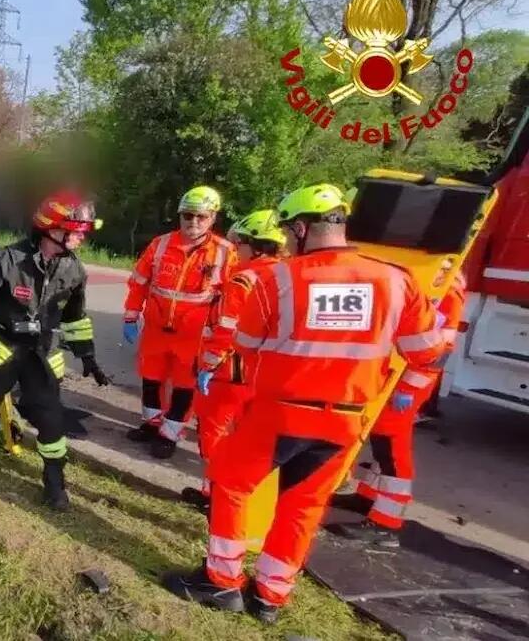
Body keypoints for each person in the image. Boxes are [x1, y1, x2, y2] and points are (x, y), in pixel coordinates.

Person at [162, 183, 446, 624]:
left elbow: (247, 343)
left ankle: (220, 582)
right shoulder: (395, 279)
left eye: (289, 231)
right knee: (303, 506)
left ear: (301, 226)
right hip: (346, 421)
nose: (287, 241)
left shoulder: (279, 278)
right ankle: (271, 596)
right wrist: (408, 388)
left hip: (281, 412)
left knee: (230, 480)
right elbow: (428, 351)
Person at [0, 190, 110, 511]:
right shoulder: (7, 261)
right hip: (2, 350)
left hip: (42, 356)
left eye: (83, 233)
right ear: (52, 227)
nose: (81, 238)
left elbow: (75, 317)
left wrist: (87, 355)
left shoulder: (74, 271)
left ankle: (54, 485)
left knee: (51, 421)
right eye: (76, 231)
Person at [341, 268, 467, 546]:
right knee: (380, 437)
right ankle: (368, 496)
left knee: (392, 444)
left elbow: (442, 346)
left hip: (412, 379)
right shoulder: (432, 276)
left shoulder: (448, 286)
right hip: (400, 374)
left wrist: (409, 387)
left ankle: (386, 522)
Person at [179, 210, 287, 509]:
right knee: (247, 437)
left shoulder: (244, 279)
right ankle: (232, 495)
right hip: (265, 373)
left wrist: (208, 364)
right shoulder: (286, 276)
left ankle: (216, 494)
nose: (235, 249)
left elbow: (228, 327)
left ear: (255, 245)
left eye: (239, 244)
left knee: (212, 431)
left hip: (231, 371)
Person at [122, 185, 238, 459]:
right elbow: (139, 282)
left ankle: (170, 433)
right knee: (151, 377)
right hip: (156, 328)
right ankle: (151, 423)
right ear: (180, 216)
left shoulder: (224, 252)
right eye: (188, 216)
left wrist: (221, 338)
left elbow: (230, 298)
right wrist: (130, 314)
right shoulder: (160, 244)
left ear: (212, 218)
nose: (193, 222)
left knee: (185, 386)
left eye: (201, 217)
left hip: (195, 334)